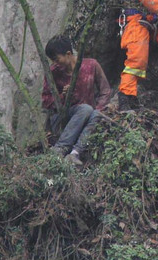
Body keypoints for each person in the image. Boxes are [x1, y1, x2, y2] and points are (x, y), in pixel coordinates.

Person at [42, 35, 111, 166]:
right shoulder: (53, 72)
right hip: (62, 118)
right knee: (86, 109)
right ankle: (60, 149)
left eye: (56, 59)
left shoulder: (91, 65)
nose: (55, 63)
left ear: (68, 54)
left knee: (96, 113)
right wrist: (62, 96)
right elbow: (46, 101)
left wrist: (99, 109)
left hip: (87, 115)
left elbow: (105, 91)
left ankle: (75, 153)